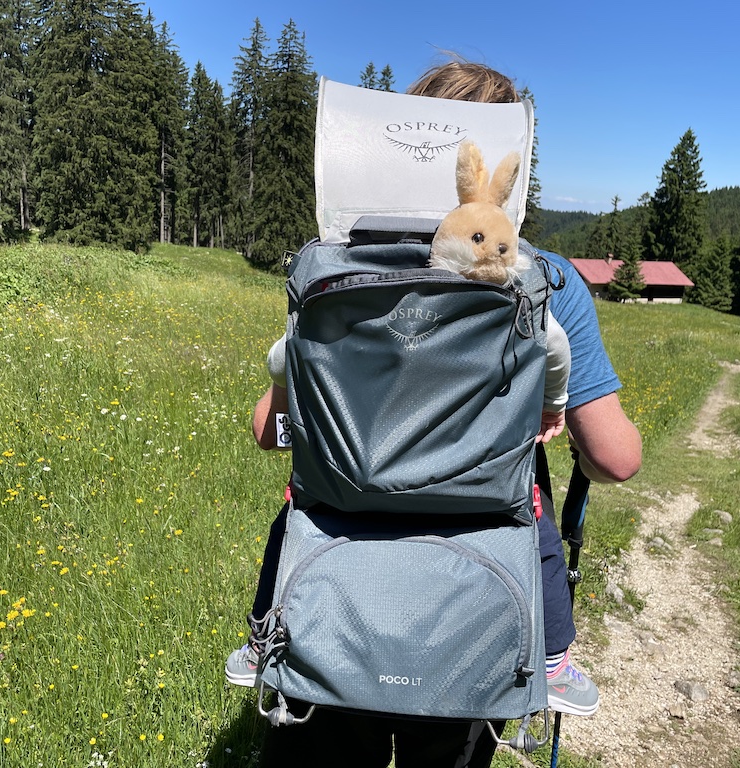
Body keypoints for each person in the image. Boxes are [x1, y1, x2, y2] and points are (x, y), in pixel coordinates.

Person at [233, 60, 643, 767]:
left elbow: (270, 431)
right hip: (474, 592)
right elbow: (615, 459)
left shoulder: (339, 271)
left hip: (334, 581)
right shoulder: (541, 279)